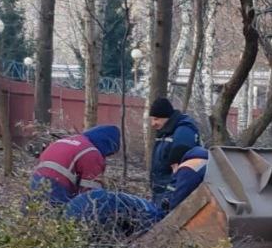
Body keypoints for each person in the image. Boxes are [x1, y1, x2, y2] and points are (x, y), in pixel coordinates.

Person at [63, 100, 209, 236]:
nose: (153, 123)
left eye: (156, 119)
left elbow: (181, 150)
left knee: (165, 227)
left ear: (167, 117)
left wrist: (175, 164)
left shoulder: (184, 130)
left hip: (169, 191)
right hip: (160, 190)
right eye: (152, 119)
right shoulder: (165, 132)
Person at [28, 125, 121, 206]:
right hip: (58, 188)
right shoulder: (92, 153)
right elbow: (91, 195)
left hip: (35, 181)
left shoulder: (64, 140)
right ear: (107, 145)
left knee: (33, 216)